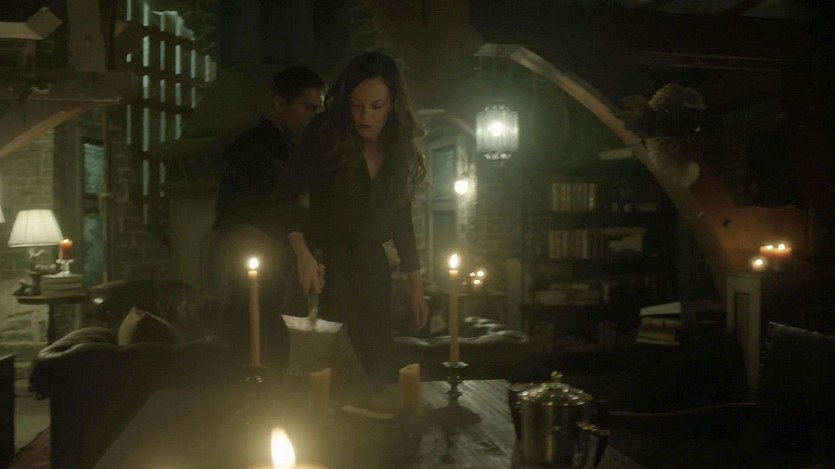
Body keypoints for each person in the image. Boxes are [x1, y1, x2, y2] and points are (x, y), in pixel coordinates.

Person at [281, 52, 429, 378]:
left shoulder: (397, 147)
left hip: (372, 271)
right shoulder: (324, 133)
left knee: (375, 369)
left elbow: (401, 218)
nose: (365, 116)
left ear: (392, 104)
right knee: (321, 374)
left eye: (377, 106)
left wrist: (417, 286)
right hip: (324, 268)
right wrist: (303, 256)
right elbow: (285, 198)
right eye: (356, 105)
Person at [210, 65, 324, 373]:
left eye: (318, 108)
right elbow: (236, 219)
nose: (315, 116)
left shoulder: (306, 151)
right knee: (257, 358)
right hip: (259, 275)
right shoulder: (247, 150)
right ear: (279, 103)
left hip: (295, 275)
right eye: (308, 107)